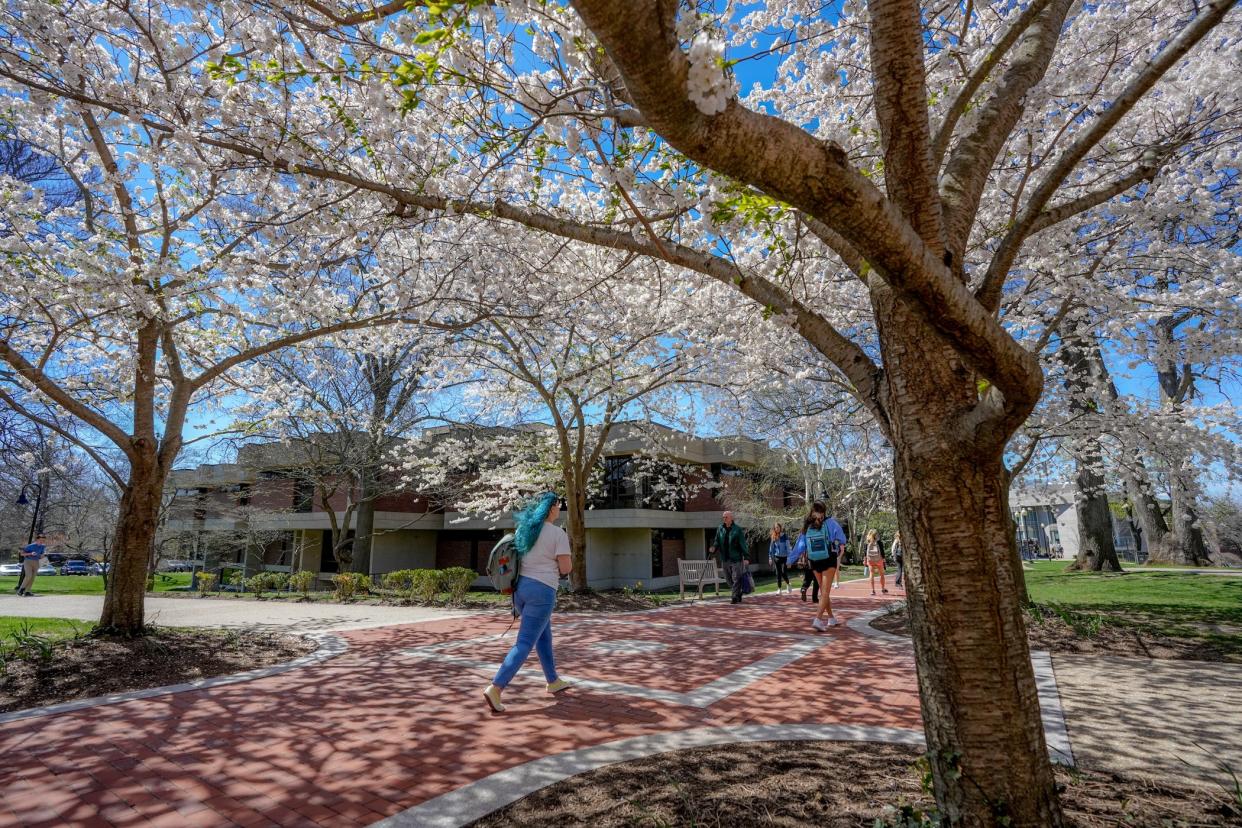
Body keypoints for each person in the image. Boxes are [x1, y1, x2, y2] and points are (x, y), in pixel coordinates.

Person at [484, 493, 573, 713]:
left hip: (519, 590)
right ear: (551, 508)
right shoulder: (557, 533)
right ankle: (496, 687)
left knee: (543, 634)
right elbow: (566, 569)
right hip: (542, 592)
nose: (559, 509)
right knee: (524, 643)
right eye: (558, 506)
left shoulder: (524, 529)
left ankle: (553, 680)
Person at [802, 502, 847, 630]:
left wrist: (791, 559)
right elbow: (842, 538)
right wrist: (841, 545)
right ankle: (818, 619)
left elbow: (801, 544)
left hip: (814, 560)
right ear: (824, 511)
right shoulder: (830, 522)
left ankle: (831, 618)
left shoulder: (807, 525)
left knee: (823, 591)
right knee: (826, 592)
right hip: (828, 559)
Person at [710, 511, 750, 604]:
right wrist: (714, 548)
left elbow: (743, 544)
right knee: (728, 579)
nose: (724, 519)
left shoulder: (737, 529)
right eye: (723, 517)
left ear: (731, 518)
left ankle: (734, 596)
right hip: (725, 558)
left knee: (736, 578)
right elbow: (717, 541)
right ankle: (738, 593)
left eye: (726, 517)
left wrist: (746, 557)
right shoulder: (720, 528)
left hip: (736, 558)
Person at [768, 523, 792, 594]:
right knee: (778, 573)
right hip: (777, 557)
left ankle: (788, 584)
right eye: (775, 528)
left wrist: (789, 559)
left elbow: (788, 547)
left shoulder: (785, 536)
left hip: (784, 557)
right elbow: (771, 548)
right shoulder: (773, 537)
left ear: (780, 528)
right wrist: (770, 557)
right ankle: (779, 589)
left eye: (778, 527)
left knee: (784, 572)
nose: (776, 529)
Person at [865, 528, 888, 595]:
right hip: (879, 560)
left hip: (870, 560)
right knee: (881, 574)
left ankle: (873, 590)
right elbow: (882, 552)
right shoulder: (879, 542)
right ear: (876, 535)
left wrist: (865, 560)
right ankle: (883, 589)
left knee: (871, 574)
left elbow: (864, 552)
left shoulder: (867, 542)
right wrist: (883, 559)